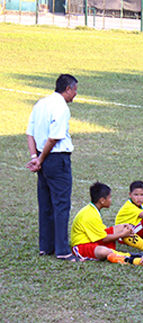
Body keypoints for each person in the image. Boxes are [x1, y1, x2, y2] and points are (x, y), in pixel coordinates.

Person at [26, 74, 80, 261]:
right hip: (56, 159)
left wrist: (35, 157)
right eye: (74, 90)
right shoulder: (61, 107)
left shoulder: (40, 104)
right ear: (67, 89)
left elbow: (30, 134)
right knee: (61, 204)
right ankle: (63, 250)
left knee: (46, 203)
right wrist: (41, 158)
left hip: (42, 157)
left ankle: (46, 246)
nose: (75, 94)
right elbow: (55, 137)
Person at [71, 182, 135, 262]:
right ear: (102, 200)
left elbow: (103, 232)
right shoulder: (90, 214)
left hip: (93, 240)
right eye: (110, 197)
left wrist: (123, 229)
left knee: (122, 227)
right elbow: (104, 238)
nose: (111, 200)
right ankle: (128, 256)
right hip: (82, 246)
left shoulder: (92, 209)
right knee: (103, 252)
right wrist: (123, 234)